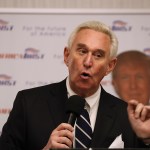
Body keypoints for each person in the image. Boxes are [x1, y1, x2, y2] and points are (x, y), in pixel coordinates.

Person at [0, 20, 149, 149]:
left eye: (98, 55)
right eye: (82, 51)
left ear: (110, 66)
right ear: (67, 56)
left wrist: (147, 139)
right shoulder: (28, 103)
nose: (88, 62)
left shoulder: (127, 116)